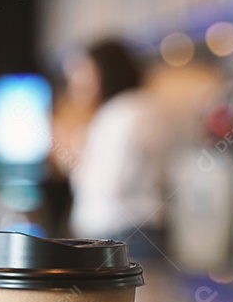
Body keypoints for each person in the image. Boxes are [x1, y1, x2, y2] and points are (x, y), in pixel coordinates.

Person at [68, 39, 170, 257]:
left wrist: (78, 157)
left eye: (83, 70)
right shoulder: (136, 108)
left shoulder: (122, 114)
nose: (76, 80)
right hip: (133, 231)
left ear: (104, 71)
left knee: (134, 292)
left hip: (124, 234)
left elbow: (109, 185)